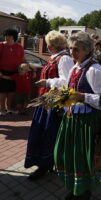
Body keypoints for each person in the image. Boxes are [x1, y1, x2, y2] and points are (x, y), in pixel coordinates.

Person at [47, 31, 101, 200]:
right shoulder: (75, 67)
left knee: (82, 157)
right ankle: (76, 187)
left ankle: (84, 192)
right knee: (65, 153)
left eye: (76, 49)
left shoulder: (95, 70)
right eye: (70, 49)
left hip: (87, 122)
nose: (72, 53)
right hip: (71, 118)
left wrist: (83, 97)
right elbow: (68, 89)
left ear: (87, 50)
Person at [24, 30, 74, 180]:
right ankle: (46, 164)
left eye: (48, 44)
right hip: (47, 99)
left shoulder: (64, 59)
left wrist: (48, 82)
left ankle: (45, 165)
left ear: (54, 45)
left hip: (54, 100)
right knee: (43, 132)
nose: (47, 46)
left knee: (48, 133)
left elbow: (67, 82)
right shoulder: (56, 58)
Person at [0, 28, 25, 116]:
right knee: (2, 92)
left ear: (14, 37)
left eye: (9, 36)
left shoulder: (19, 47)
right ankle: (2, 109)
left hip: (15, 73)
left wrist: (28, 68)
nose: (7, 38)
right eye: (6, 36)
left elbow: (23, 59)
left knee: (11, 92)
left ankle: (9, 108)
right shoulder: (1, 46)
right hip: (2, 72)